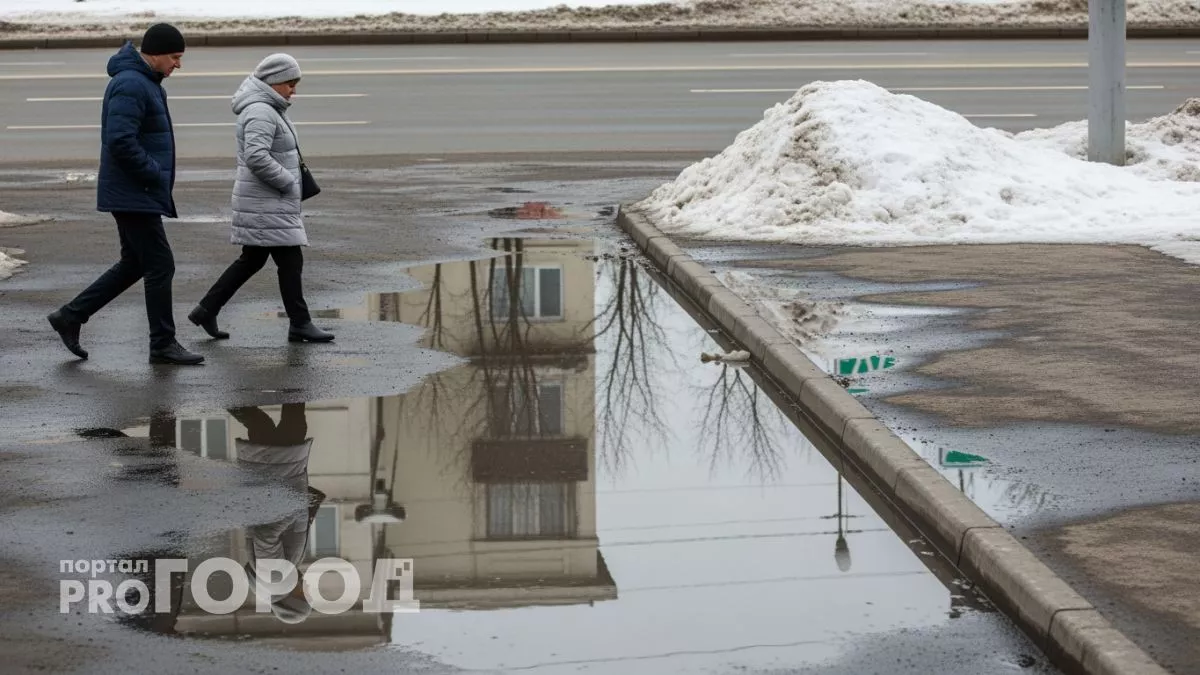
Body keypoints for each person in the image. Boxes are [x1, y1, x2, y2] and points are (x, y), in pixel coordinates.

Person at [46, 24, 205, 366]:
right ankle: (162, 343)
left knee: (136, 263)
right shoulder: (132, 83)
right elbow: (120, 140)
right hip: (134, 190)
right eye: (175, 57)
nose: (178, 64)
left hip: (136, 190)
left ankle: (71, 316)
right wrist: (153, 173)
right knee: (161, 264)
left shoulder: (145, 81)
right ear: (157, 53)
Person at [187, 54, 334, 344]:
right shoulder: (260, 111)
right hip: (267, 200)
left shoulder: (269, 107)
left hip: (266, 200)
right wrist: (287, 181)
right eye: (290, 84)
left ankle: (206, 310)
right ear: (274, 82)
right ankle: (300, 324)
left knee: (252, 259)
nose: (294, 90)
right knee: (289, 260)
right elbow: (256, 156)